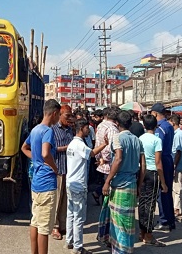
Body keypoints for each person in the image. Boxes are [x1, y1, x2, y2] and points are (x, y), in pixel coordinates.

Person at [21, 99, 61, 254]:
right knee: (44, 227)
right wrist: (54, 167)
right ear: (55, 113)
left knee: (35, 222)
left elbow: (24, 148)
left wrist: (35, 159)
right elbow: (46, 153)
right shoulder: (47, 131)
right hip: (47, 183)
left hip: (36, 182)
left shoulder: (35, 129)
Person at [102, 110, 144, 254]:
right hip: (132, 183)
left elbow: (118, 158)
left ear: (117, 123)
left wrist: (107, 181)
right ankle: (125, 249)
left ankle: (120, 251)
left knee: (118, 222)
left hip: (119, 184)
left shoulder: (117, 138)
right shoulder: (137, 140)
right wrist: (139, 185)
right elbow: (142, 166)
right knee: (128, 221)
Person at [65, 118, 109, 254]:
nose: (88, 131)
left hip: (70, 182)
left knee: (71, 214)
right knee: (78, 217)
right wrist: (105, 144)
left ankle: (69, 240)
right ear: (82, 128)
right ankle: (78, 247)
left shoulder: (72, 143)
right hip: (78, 184)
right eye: (86, 128)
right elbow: (91, 153)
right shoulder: (80, 145)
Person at [138, 114, 168, 247]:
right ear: (156, 126)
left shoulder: (140, 139)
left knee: (142, 203)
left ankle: (142, 232)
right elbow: (158, 162)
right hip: (153, 173)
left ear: (144, 125)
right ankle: (149, 235)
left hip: (142, 172)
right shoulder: (156, 140)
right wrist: (163, 182)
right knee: (150, 205)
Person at [151, 103, 176, 231]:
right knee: (168, 191)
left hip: (162, 159)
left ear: (155, 114)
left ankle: (164, 220)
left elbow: (158, 148)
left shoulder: (160, 128)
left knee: (162, 191)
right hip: (168, 159)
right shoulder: (169, 126)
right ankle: (170, 219)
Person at [51, 105, 74, 240]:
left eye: (70, 116)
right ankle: (55, 226)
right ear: (59, 115)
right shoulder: (53, 130)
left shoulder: (70, 130)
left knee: (66, 199)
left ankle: (63, 224)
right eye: (67, 116)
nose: (69, 119)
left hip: (69, 169)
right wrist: (66, 148)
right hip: (58, 168)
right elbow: (51, 149)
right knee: (57, 199)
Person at [93, 107, 120, 205]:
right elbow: (110, 148)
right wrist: (105, 159)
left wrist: (99, 158)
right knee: (109, 191)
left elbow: (97, 143)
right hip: (108, 162)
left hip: (101, 160)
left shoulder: (101, 125)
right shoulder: (113, 129)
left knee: (106, 187)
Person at [169, 114, 182, 222]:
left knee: (178, 188)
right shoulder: (175, 134)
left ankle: (180, 211)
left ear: (173, 122)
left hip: (179, 165)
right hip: (177, 164)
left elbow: (178, 151)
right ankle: (179, 209)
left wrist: (174, 165)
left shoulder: (179, 134)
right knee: (176, 188)